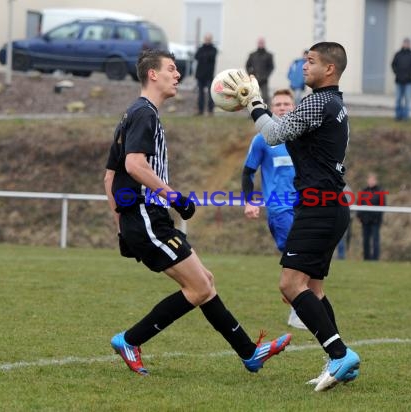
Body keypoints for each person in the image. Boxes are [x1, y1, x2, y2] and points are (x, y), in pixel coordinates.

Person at [103, 49, 291, 378]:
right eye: (171, 69)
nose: (177, 75)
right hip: (148, 216)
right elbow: (134, 165)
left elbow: (109, 178)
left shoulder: (135, 113)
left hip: (145, 219)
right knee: (199, 288)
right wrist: (174, 198)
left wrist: (122, 228)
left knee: (205, 282)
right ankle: (130, 340)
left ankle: (250, 353)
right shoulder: (144, 113)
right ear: (152, 75)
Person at [223, 41, 360, 392]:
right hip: (328, 206)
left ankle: (340, 354)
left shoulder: (319, 100)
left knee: (290, 285)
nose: (304, 65)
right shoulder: (334, 103)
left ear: (330, 69)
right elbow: (287, 131)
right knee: (312, 288)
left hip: (319, 207)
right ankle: (339, 359)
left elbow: (274, 135)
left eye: (311, 61)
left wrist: (254, 102)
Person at [241, 88, 306, 331]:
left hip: (305, 206)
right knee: (298, 256)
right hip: (280, 209)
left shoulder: (303, 136)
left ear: (294, 107)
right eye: (277, 104)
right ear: (271, 108)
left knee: (305, 257)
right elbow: (248, 172)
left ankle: (296, 298)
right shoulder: (263, 139)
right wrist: (250, 200)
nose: (281, 107)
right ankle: (297, 311)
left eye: (286, 104)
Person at [356, 173, 386, 261]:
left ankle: (375, 259)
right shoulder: (363, 191)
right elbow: (359, 204)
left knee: (375, 241)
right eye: (369, 180)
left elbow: (383, 205)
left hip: (375, 221)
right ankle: (366, 258)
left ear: (376, 181)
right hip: (365, 220)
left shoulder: (380, 191)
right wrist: (359, 216)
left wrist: (377, 218)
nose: (370, 182)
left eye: (372, 180)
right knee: (365, 241)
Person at [391, 38, 411, 121]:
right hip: (399, 80)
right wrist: (397, 73)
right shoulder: (398, 54)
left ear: (410, 44)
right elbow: (393, 64)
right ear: (403, 44)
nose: (406, 45)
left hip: (408, 81)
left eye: (408, 43)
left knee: (407, 99)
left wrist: (410, 73)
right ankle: (398, 116)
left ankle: (406, 117)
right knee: (398, 99)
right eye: (405, 43)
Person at [194, 33, 218, 115]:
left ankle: (210, 111)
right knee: (200, 94)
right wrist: (205, 56)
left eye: (209, 39)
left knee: (211, 94)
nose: (207, 40)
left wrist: (204, 56)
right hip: (200, 75)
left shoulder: (214, 49)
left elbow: (211, 57)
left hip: (209, 76)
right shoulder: (200, 48)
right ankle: (200, 110)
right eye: (206, 39)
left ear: (211, 40)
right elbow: (196, 56)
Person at [245, 37, 274, 105]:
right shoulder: (252, 55)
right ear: (257, 44)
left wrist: (266, 76)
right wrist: (251, 74)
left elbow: (271, 67)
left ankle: (266, 112)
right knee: (252, 96)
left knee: (265, 97)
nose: (261, 44)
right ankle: (253, 113)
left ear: (264, 44)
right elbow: (247, 66)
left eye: (262, 43)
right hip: (254, 79)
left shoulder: (269, 55)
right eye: (259, 43)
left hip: (264, 80)